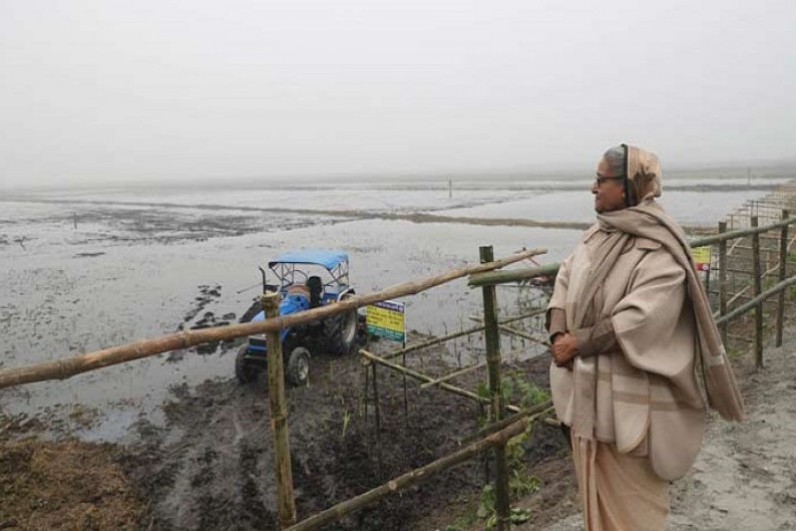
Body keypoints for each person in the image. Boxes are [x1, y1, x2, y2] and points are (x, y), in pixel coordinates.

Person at [546, 144, 745, 530]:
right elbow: (565, 278)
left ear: (628, 187)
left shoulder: (660, 247)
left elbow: (640, 318)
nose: (593, 188)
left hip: (630, 415)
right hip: (588, 406)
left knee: (636, 513)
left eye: (601, 180)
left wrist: (578, 342)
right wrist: (558, 330)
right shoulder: (597, 235)